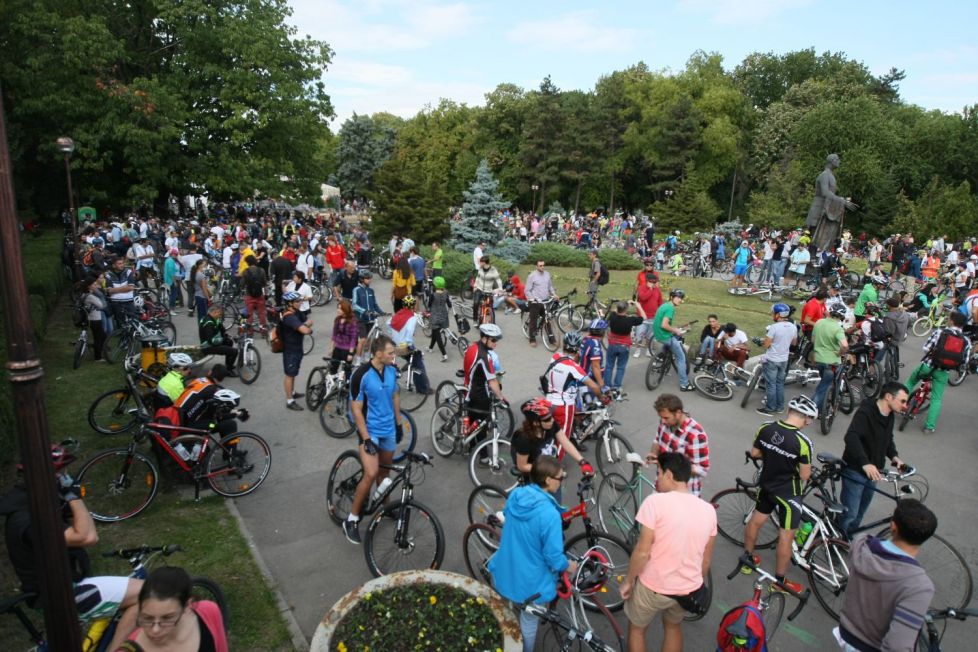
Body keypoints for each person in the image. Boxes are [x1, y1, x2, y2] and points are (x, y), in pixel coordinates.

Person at [0, 447, 142, 652]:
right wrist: (72, 496)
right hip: (63, 595)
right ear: (46, 478)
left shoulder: (31, 504)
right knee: (148, 593)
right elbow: (87, 536)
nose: (66, 478)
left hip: (56, 589)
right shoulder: (29, 519)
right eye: (61, 474)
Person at [620, 452, 716, 652]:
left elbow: (642, 552)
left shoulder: (655, 502)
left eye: (659, 473)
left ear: (669, 475)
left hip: (653, 586)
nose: (657, 478)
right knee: (673, 627)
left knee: (637, 630)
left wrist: (629, 581)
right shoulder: (708, 510)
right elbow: (705, 562)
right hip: (687, 589)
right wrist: (692, 583)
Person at [488, 455, 575, 651]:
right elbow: (553, 557)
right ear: (548, 480)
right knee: (529, 622)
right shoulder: (550, 515)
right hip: (531, 583)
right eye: (560, 478)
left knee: (506, 609)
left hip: (507, 567)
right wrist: (569, 566)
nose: (562, 481)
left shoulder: (518, 495)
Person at [835, 499, 937, 652]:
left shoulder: (862, 544)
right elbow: (898, 646)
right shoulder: (919, 586)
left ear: (893, 526)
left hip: (847, 634)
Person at [742, 395, 818, 595]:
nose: (809, 424)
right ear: (806, 418)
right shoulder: (803, 442)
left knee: (756, 521)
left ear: (789, 412)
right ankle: (780, 581)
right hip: (788, 494)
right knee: (786, 536)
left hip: (766, 484)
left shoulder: (765, 427)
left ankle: (747, 560)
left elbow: (756, 453)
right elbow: (804, 475)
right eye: (809, 420)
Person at [343, 335, 405, 545]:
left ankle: (385, 508)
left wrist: (398, 424)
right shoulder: (361, 375)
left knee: (385, 472)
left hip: (388, 428)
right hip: (370, 431)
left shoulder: (391, 370)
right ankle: (351, 519)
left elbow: (395, 396)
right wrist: (367, 438)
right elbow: (356, 409)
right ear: (378, 354)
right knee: (370, 474)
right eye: (390, 352)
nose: (393, 355)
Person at [838, 382, 909, 537]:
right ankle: (834, 542)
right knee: (850, 513)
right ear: (889, 397)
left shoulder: (889, 414)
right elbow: (851, 437)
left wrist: (895, 457)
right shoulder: (866, 412)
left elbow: (887, 439)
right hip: (855, 470)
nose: (905, 406)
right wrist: (865, 463)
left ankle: (846, 538)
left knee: (860, 512)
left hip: (874, 471)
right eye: (903, 401)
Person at [117, 565, 228, 652]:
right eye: (147, 618)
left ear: (187, 606)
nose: (155, 630)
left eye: (167, 618)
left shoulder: (208, 611)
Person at [904, 310, 971, 433]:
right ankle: (929, 427)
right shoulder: (966, 341)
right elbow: (964, 362)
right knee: (936, 399)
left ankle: (899, 404)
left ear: (951, 321)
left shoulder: (940, 332)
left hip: (928, 366)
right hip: (943, 372)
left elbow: (926, 348)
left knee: (910, 382)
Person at [543, 331, 606, 455]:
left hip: (549, 400)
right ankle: (555, 466)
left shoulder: (555, 357)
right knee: (562, 440)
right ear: (578, 350)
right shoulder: (574, 368)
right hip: (564, 406)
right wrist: (601, 397)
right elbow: (594, 386)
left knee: (552, 431)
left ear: (564, 345)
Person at [646, 394, 710, 496]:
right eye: (661, 417)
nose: (662, 421)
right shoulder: (665, 423)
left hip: (682, 493)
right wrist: (653, 454)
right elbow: (657, 440)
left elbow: (702, 469)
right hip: (661, 486)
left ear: (678, 413)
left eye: (666, 418)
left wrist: (668, 466)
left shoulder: (696, 435)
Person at [462, 323, 509, 462]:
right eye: (493, 340)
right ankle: (483, 458)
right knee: (482, 425)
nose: (496, 343)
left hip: (468, 390)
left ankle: (470, 446)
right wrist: (501, 397)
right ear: (484, 338)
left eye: (497, 340)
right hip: (479, 394)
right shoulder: (484, 356)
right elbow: (492, 381)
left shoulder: (473, 347)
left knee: (472, 421)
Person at [806, 153, 857, 252]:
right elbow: (825, 192)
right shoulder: (825, 175)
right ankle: (813, 260)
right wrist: (843, 201)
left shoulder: (830, 175)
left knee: (822, 241)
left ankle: (820, 259)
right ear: (832, 161)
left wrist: (842, 200)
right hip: (819, 209)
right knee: (816, 239)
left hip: (825, 208)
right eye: (837, 159)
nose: (839, 161)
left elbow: (830, 194)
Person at [758, 303, 799, 416]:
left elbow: (766, 345)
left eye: (773, 313)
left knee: (771, 384)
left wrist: (763, 341)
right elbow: (794, 343)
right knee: (780, 383)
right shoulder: (793, 326)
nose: (772, 315)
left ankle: (770, 408)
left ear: (778, 314)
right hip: (784, 360)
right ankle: (780, 407)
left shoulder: (774, 327)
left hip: (772, 359)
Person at [387, 294, 432, 394]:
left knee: (410, 358)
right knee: (418, 361)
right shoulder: (412, 318)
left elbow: (388, 323)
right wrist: (410, 344)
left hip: (394, 346)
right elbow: (409, 333)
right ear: (413, 306)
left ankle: (404, 369)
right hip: (404, 347)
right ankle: (422, 388)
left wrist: (393, 335)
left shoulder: (397, 315)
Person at [652, 289, 694, 391]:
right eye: (678, 297)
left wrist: (673, 329)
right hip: (664, 336)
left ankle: (663, 357)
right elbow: (664, 325)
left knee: (671, 342)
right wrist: (675, 330)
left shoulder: (664, 305)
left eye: (681, 298)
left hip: (658, 334)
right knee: (681, 358)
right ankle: (684, 384)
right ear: (671, 297)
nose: (680, 300)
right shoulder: (671, 308)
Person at [812, 303, 849, 413]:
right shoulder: (838, 328)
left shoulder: (819, 322)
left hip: (818, 358)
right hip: (831, 361)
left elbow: (813, 340)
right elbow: (845, 345)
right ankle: (812, 408)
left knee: (823, 383)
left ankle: (817, 406)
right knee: (824, 387)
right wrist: (840, 353)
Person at [279, 291, 312, 411]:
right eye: (297, 301)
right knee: (289, 374)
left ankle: (292, 392)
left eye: (300, 300)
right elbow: (305, 330)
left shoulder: (297, 313)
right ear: (290, 304)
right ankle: (289, 400)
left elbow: (309, 321)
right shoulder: (289, 317)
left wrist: (303, 326)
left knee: (294, 372)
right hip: (290, 350)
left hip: (297, 348)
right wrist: (304, 327)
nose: (300, 302)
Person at [605, 301, 647, 392]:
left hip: (612, 344)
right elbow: (644, 317)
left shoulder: (612, 316)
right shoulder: (630, 320)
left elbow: (614, 311)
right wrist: (639, 306)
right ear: (626, 310)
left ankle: (607, 385)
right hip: (624, 346)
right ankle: (617, 387)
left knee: (609, 366)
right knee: (621, 367)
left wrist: (623, 305)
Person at [524, 260, 558, 347]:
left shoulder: (547, 274)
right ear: (536, 266)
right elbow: (527, 290)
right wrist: (532, 299)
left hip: (545, 301)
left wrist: (554, 295)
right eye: (540, 265)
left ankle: (552, 339)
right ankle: (532, 339)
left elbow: (550, 286)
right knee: (533, 321)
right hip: (535, 301)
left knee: (547, 320)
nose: (542, 267)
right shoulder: (532, 276)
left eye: (543, 265)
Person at [351, 271, 382, 359]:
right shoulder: (356, 290)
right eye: (368, 278)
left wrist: (382, 312)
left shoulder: (371, 290)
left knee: (368, 341)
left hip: (370, 319)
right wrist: (364, 311)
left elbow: (375, 305)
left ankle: (366, 357)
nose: (370, 280)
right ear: (361, 279)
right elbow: (354, 305)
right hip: (360, 319)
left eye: (370, 278)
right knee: (363, 339)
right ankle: (358, 360)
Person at [633, 272, 663, 358]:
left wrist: (661, 313)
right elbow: (643, 297)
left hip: (653, 316)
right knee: (639, 334)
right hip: (642, 317)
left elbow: (660, 302)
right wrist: (649, 290)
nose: (653, 284)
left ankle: (648, 350)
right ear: (647, 281)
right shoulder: (641, 288)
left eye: (655, 282)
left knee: (650, 336)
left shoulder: (657, 290)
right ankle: (638, 349)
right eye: (651, 282)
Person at [80, 274, 109, 361]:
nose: (96, 286)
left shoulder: (84, 294)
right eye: (94, 284)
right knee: (98, 337)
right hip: (95, 319)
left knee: (102, 336)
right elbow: (101, 305)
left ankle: (101, 352)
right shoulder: (90, 296)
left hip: (91, 319)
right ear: (89, 286)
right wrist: (99, 296)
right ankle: (98, 357)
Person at [106, 255, 139, 326]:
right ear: (114, 265)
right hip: (116, 303)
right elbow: (109, 291)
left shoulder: (128, 272)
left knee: (134, 320)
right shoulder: (108, 275)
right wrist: (125, 288)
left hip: (128, 301)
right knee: (120, 322)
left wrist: (115, 290)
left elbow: (130, 288)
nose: (122, 265)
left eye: (122, 263)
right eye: (119, 264)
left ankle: (136, 335)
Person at [425, 275, 451, 362]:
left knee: (438, 336)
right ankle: (430, 348)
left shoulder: (433, 295)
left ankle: (444, 354)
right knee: (435, 333)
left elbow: (428, 305)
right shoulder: (446, 293)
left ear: (435, 285)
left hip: (435, 317)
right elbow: (449, 305)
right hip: (443, 316)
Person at [329, 298, 358, 373]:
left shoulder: (352, 322)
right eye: (338, 308)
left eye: (340, 309)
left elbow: (353, 339)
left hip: (347, 349)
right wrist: (331, 349)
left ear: (345, 310)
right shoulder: (337, 320)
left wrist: (350, 353)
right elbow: (334, 335)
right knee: (332, 369)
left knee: (346, 371)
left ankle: (348, 384)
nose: (338, 310)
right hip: (338, 347)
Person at [472, 255, 502, 321]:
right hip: (479, 289)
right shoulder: (480, 268)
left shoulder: (493, 270)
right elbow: (478, 277)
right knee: (475, 303)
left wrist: (500, 289)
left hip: (488, 291)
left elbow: (498, 280)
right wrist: (475, 286)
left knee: (490, 307)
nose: (479, 264)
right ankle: (475, 319)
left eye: (480, 262)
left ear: (484, 263)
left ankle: (493, 323)